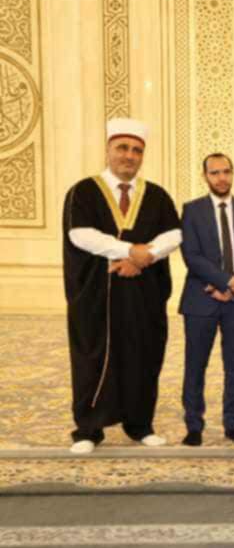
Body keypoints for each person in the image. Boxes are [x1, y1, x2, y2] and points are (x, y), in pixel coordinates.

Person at [62, 118, 182, 455]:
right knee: (93, 357)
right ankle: (88, 429)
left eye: (137, 150)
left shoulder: (156, 194)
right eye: (123, 148)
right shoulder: (83, 191)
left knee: (143, 356)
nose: (129, 156)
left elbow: (174, 234)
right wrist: (130, 251)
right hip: (97, 296)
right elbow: (80, 235)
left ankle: (140, 425)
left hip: (143, 295)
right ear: (108, 150)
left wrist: (144, 257)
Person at [178, 153, 234, 446]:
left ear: (233, 173)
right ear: (205, 176)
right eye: (214, 172)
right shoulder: (192, 210)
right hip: (201, 300)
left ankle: (232, 425)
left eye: (226, 171)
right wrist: (226, 282)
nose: (221, 178)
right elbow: (192, 255)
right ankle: (194, 426)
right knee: (195, 366)